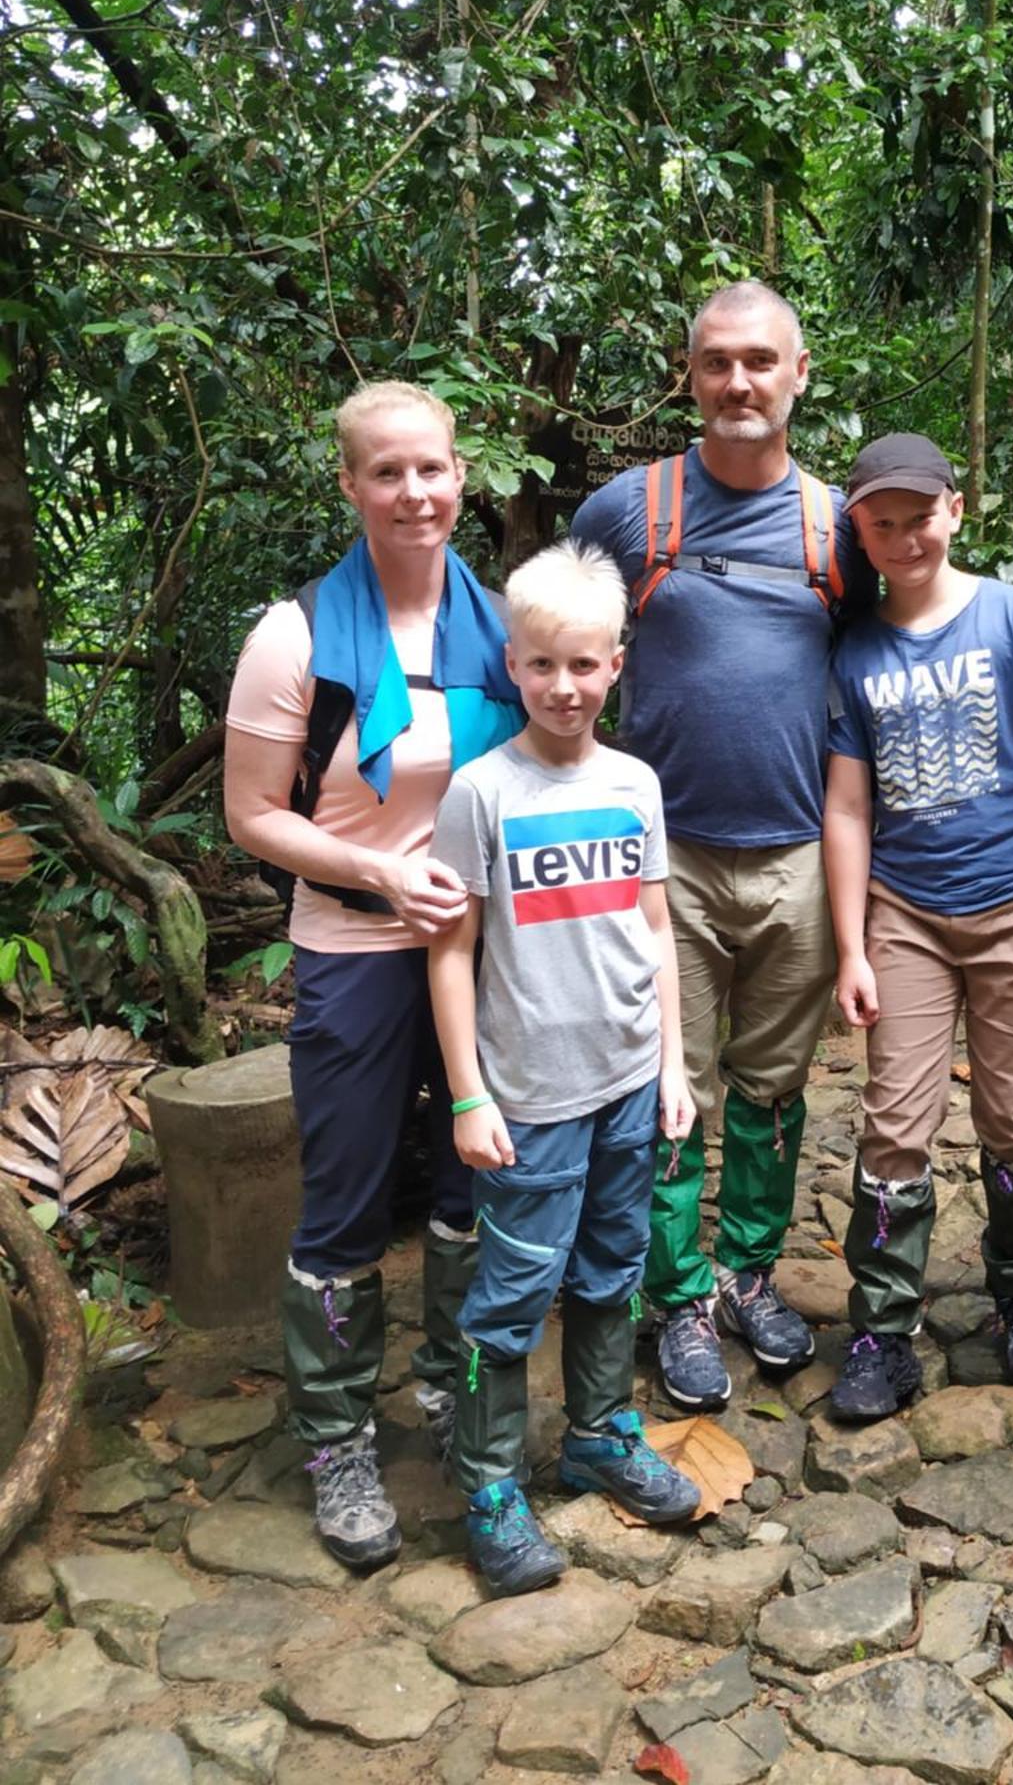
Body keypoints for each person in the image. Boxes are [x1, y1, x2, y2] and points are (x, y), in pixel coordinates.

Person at [224, 380, 525, 1569]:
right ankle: (339, 1428)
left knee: (469, 1183)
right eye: (387, 472)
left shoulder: (499, 624)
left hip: (481, 953)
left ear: (464, 475)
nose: (415, 492)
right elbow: (251, 813)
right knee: (346, 1196)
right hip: (352, 944)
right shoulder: (295, 634)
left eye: (433, 468)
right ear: (350, 484)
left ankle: (452, 1388)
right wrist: (378, 869)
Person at [571, 280, 874, 1409]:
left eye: (760, 360)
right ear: (690, 375)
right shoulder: (627, 511)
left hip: (798, 851)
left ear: (799, 373)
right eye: (716, 362)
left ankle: (748, 1269)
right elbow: (560, 654)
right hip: (666, 861)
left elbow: (865, 676)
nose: (738, 381)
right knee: (670, 1089)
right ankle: (678, 1295)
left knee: (773, 1086)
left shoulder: (836, 524)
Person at [427, 540, 700, 1596]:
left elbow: (654, 924)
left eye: (585, 664)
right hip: (530, 1093)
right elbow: (451, 951)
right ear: (513, 663)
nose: (565, 686)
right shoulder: (480, 793)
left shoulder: (635, 781)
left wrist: (672, 1066)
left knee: (611, 1265)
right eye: (543, 665)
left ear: (617, 665)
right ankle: (490, 1484)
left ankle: (599, 1430)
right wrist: (467, 1090)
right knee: (510, 1292)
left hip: (629, 1076)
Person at [822, 433, 1013, 1419]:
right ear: (859, 528)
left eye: (919, 514)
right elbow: (848, 807)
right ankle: (881, 1328)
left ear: (957, 508)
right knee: (894, 1122)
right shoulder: (855, 648)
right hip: (906, 913)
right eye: (880, 521)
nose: (902, 536)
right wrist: (852, 943)